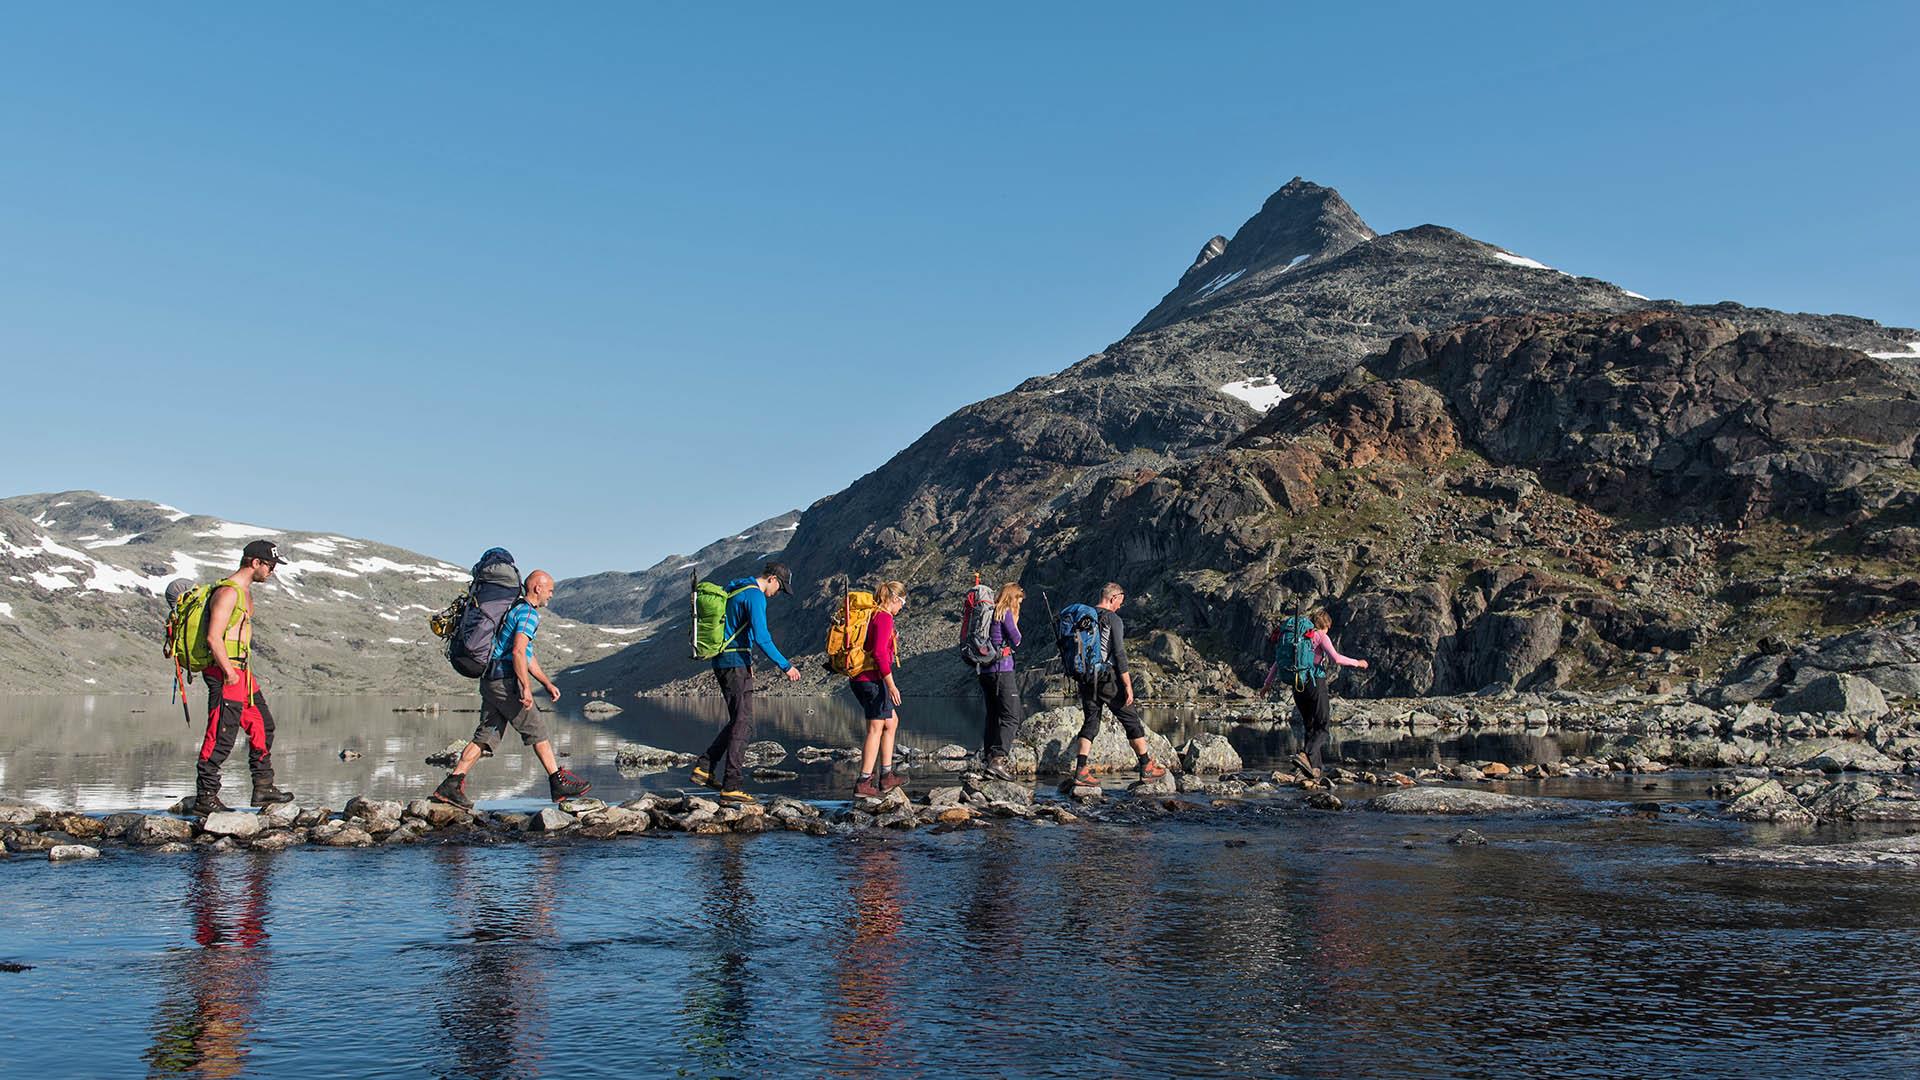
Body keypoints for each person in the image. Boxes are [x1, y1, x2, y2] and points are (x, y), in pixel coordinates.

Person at [431, 570, 590, 808]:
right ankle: (557, 782)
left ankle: (451, 785)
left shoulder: (514, 610)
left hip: (490, 681)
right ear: (537, 588)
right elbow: (517, 652)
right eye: (550, 590)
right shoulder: (528, 614)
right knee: (537, 729)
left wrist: (546, 683)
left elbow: (526, 654)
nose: (551, 595)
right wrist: (525, 687)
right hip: (506, 682)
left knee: (486, 736)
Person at [193, 540, 294, 815]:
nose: (272, 571)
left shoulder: (245, 593)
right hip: (226, 672)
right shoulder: (227, 593)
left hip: (241, 672)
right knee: (221, 734)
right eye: (270, 566)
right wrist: (228, 673)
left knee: (263, 724)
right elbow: (214, 637)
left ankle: (263, 787)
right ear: (255, 563)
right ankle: (206, 797)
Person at [691, 561, 801, 801]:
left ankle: (704, 767)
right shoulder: (755, 596)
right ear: (771, 578)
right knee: (745, 724)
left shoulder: (737, 589)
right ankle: (731, 785)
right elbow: (762, 636)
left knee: (737, 720)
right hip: (735, 665)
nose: (777, 593)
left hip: (725, 662)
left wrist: (748, 658)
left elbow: (740, 628)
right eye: (780, 587)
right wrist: (786, 666)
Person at [1067, 582, 1167, 787]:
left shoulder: (1086, 617)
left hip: (1086, 677)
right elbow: (1120, 654)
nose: (1120, 606)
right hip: (1107, 678)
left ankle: (1081, 770)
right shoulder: (1113, 619)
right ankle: (1146, 766)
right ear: (1113, 598)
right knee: (1131, 720)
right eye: (1120, 601)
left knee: (1091, 722)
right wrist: (1128, 685)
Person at [1263, 610, 1369, 777]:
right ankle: (1305, 754)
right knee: (1323, 726)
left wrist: (1266, 684)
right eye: (1328, 627)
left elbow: (1277, 662)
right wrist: (1358, 663)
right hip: (1314, 683)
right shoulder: (1320, 636)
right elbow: (1336, 659)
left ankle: (1314, 769)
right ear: (1325, 625)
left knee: (1310, 727)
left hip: (1297, 685)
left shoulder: (1299, 638)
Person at [850, 581, 907, 798]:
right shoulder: (883, 617)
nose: (901, 607)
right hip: (872, 679)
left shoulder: (872, 615)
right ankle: (864, 781)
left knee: (891, 721)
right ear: (894, 599)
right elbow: (880, 655)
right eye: (902, 602)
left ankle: (886, 775)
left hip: (861, 678)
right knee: (876, 727)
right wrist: (891, 685)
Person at [976, 582, 1024, 781]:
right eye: (1019, 600)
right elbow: (1016, 639)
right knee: (1012, 716)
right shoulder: (1004, 612)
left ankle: (988, 761)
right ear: (1013, 598)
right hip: (1002, 671)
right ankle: (998, 759)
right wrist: (1016, 619)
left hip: (985, 671)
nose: (1020, 604)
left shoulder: (987, 613)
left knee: (993, 716)